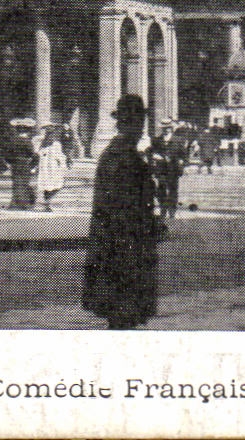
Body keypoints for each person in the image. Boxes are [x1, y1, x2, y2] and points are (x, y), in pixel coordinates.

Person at [82, 94, 162, 330]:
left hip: (116, 240)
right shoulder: (124, 157)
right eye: (138, 123)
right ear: (131, 124)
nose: (140, 129)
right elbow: (126, 204)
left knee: (121, 312)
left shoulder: (118, 153)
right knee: (124, 311)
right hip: (125, 242)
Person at [7, 122, 39, 210]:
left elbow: (7, 155)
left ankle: (14, 204)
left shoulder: (13, 141)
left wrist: (10, 162)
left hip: (15, 164)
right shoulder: (27, 142)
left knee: (16, 183)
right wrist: (33, 166)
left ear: (17, 131)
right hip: (25, 164)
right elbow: (34, 155)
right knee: (24, 183)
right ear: (27, 131)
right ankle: (25, 204)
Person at [37, 126, 67, 212]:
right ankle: (47, 203)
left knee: (49, 186)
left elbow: (38, 154)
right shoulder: (54, 144)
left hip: (47, 168)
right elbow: (60, 157)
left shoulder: (43, 144)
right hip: (51, 168)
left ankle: (47, 203)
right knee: (55, 185)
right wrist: (63, 166)